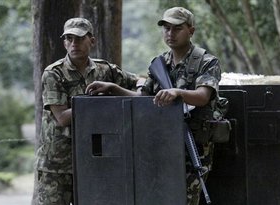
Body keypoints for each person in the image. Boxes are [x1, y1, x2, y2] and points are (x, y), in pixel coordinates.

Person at [86, 7, 222, 205]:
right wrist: (113, 88)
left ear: (191, 31)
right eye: (166, 28)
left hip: (193, 145)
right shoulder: (159, 63)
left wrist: (178, 93)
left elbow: (203, 96)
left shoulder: (206, 62)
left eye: (177, 28)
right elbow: (143, 98)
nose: (170, 33)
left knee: (186, 199)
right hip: (160, 144)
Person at [34, 17, 141, 205]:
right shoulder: (54, 73)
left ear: (92, 40)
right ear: (64, 42)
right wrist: (101, 102)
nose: (74, 44)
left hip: (94, 161)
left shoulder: (104, 69)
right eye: (69, 39)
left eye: (79, 38)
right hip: (58, 164)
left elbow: (141, 82)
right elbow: (62, 118)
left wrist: (118, 89)